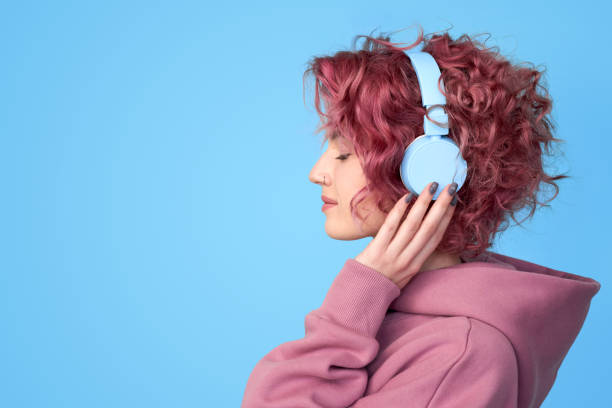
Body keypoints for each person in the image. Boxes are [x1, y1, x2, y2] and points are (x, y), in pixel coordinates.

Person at [241, 25, 601, 407]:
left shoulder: (459, 355)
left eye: (344, 153)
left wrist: (347, 312)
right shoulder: (395, 315)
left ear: (433, 169)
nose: (317, 172)